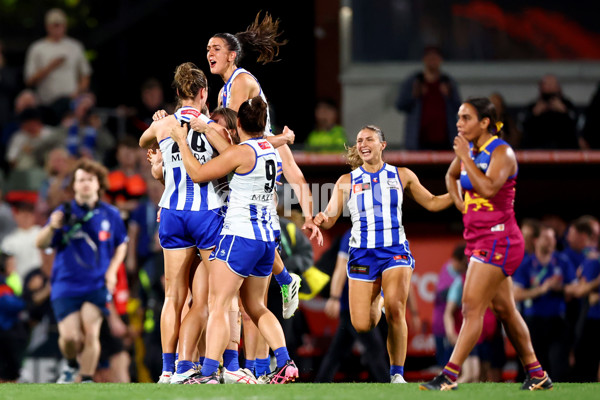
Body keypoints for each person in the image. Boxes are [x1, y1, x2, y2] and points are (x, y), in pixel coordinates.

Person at [421, 97, 553, 391]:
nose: (459, 124)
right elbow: (450, 175)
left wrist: (466, 158)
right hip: (481, 239)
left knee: (470, 309)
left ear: (484, 123)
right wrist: (460, 204)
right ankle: (538, 374)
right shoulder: (470, 149)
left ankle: (449, 376)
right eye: (458, 117)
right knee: (506, 310)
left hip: (500, 240)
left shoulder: (502, 152)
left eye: (466, 118)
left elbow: (490, 188)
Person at [173, 96, 299, 384]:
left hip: (240, 237)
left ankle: (206, 374)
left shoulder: (240, 153)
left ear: (238, 123)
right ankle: (285, 361)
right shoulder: (268, 146)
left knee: (217, 305)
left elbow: (197, 173)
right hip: (267, 241)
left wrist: (182, 139)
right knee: (257, 307)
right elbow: (237, 149)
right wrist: (207, 128)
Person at [313, 125, 453, 383]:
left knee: (396, 309)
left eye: (369, 139)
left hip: (394, 251)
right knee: (361, 325)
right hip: (362, 255)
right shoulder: (347, 180)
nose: (363, 143)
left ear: (382, 145)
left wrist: (457, 194)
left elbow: (432, 202)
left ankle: (397, 374)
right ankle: (378, 300)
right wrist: (321, 218)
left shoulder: (402, 175)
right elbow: (331, 217)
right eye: (359, 140)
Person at [139, 62, 229, 384]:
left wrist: (158, 122)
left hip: (172, 214)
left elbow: (142, 141)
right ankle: (217, 367)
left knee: (173, 298)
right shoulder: (213, 126)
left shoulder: (165, 126)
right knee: (214, 298)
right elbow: (232, 156)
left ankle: (166, 370)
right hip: (206, 215)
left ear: (176, 94)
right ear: (204, 93)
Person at [35, 158, 128, 383]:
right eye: (81, 180)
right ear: (74, 185)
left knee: (91, 332)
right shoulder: (63, 213)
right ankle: (70, 364)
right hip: (65, 283)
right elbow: (41, 243)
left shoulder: (111, 214)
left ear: (99, 184)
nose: (85, 184)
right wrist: (51, 227)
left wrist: (112, 270)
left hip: (96, 283)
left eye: (90, 179)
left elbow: (122, 243)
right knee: (71, 339)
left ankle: (85, 380)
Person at [315, 228, 389, 383]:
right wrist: (334, 298)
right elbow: (341, 268)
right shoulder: (352, 234)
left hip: (366, 304)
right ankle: (388, 386)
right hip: (352, 305)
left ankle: (321, 382)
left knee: (338, 350)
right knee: (374, 347)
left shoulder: (381, 234)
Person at [513, 224, 577, 382]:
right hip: (533, 321)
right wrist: (542, 289)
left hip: (558, 321)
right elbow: (516, 294)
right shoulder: (526, 264)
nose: (551, 242)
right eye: (546, 238)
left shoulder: (562, 261)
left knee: (558, 366)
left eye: (553, 238)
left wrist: (560, 288)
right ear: (536, 241)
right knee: (535, 365)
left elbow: (575, 288)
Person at [24, 8, 92, 125]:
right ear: (47, 27)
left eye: (60, 25)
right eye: (54, 25)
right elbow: (29, 80)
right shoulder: (37, 48)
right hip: (46, 106)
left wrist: (78, 93)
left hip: (70, 105)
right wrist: (50, 67)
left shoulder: (75, 46)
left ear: (65, 26)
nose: (58, 29)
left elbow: (85, 75)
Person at [395, 46, 461, 150]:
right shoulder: (414, 81)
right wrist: (414, 96)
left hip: (445, 141)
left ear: (440, 60)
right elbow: (400, 105)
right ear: (424, 60)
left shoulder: (447, 82)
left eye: (435, 58)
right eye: (430, 58)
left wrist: (449, 95)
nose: (432, 61)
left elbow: (458, 107)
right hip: (419, 142)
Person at [520, 74, 579, 149]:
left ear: (558, 87)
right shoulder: (532, 107)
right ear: (540, 87)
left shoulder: (567, 105)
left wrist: (564, 111)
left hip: (564, 148)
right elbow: (521, 126)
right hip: (537, 148)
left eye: (552, 84)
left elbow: (578, 123)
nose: (550, 87)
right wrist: (534, 114)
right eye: (546, 84)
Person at [432, 243, 467, 368]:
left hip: (456, 325)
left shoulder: (460, 274)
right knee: (446, 364)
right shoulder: (448, 271)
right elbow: (441, 294)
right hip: (443, 326)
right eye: (464, 263)